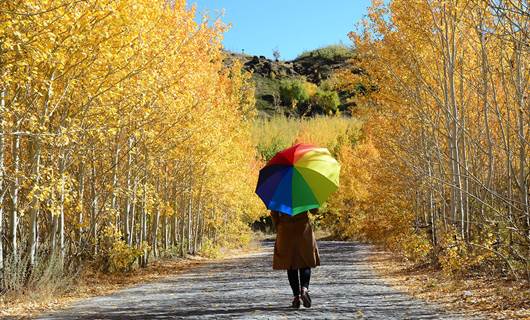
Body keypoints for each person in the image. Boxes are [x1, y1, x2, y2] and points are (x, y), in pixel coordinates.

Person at [270, 208, 320, 309]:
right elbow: (314, 211)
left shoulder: (280, 194)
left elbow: (274, 214)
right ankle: (304, 289)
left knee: (290, 263)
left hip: (285, 229)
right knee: (305, 261)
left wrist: (279, 227)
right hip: (303, 229)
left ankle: (296, 297)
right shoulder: (304, 193)